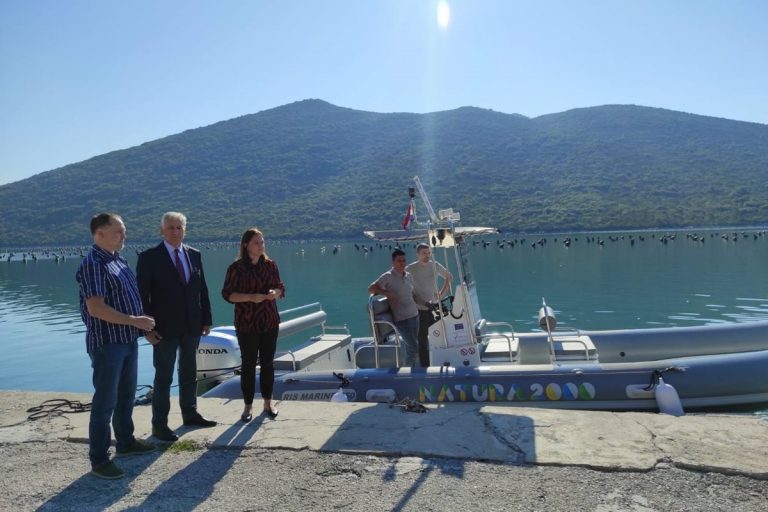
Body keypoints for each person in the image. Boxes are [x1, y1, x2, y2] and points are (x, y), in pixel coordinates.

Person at [76, 213, 157, 480]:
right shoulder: (93, 264)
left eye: (124, 231)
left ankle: (125, 442)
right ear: (99, 233)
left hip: (127, 340)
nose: (124, 236)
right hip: (107, 344)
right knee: (105, 401)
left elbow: (127, 301)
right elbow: (96, 308)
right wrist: (136, 321)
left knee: (126, 396)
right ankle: (99, 459)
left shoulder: (117, 259)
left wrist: (143, 329)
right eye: (118, 232)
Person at [136, 212, 216, 442]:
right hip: (163, 328)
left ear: (185, 230)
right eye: (170, 227)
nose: (175, 231)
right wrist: (147, 329)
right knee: (164, 377)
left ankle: (190, 414)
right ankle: (159, 425)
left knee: (189, 372)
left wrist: (206, 319)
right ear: (162, 230)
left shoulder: (194, 255)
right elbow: (142, 297)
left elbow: (202, 289)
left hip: (192, 324)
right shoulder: (149, 257)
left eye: (179, 227)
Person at [221, 228, 285, 422]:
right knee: (248, 365)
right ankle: (247, 405)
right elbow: (227, 294)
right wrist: (250, 297)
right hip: (247, 324)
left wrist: (275, 293)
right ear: (246, 245)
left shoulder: (270, 265)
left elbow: (281, 287)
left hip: (269, 322)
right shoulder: (236, 268)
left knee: (268, 364)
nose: (261, 245)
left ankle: (268, 402)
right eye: (257, 242)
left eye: (262, 241)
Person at [368, 248, 420, 367]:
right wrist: (387, 293)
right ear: (393, 262)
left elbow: (413, 294)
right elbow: (371, 288)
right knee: (413, 347)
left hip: (415, 315)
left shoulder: (408, 275)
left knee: (411, 346)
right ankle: (408, 373)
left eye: (404, 261)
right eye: (399, 261)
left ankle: (409, 368)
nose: (402, 263)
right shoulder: (388, 276)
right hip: (402, 319)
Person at [407, 243, 453, 367]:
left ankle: (441, 360)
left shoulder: (435, 265)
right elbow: (403, 285)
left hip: (434, 306)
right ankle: (425, 366)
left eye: (429, 253)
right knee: (422, 339)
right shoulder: (410, 269)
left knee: (438, 334)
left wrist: (442, 293)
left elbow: (449, 277)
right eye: (424, 253)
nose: (427, 256)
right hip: (419, 309)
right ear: (418, 254)